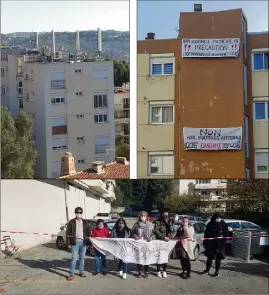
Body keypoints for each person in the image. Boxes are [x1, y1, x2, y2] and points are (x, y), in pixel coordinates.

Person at [66, 207, 91, 281]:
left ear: (82, 213)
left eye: (80, 212)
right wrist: (68, 243)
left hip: (83, 242)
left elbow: (88, 232)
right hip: (74, 242)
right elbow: (68, 233)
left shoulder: (85, 222)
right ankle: (71, 274)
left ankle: (81, 272)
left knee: (82, 258)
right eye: (77, 212)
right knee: (73, 259)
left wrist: (88, 242)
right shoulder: (71, 222)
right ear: (75, 213)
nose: (79, 214)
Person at [202, 212, 229, 277]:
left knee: (218, 258)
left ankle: (216, 272)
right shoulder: (210, 224)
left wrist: (222, 243)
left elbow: (226, 235)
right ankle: (207, 270)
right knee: (209, 258)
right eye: (217, 217)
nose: (218, 219)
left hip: (220, 245)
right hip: (211, 244)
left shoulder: (223, 224)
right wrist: (205, 242)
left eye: (219, 217)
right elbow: (206, 233)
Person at [132, 211, 155, 278]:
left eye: (144, 215)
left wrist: (151, 238)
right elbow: (132, 232)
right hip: (139, 244)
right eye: (142, 215)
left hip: (147, 244)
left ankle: (146, 272)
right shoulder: (136, 224)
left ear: (147, 216)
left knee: (146, 258)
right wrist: (135, 236)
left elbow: (153, 234)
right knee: (139, 257)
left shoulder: (150, 224)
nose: (143, 217)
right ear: (139, 216)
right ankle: (139, 272)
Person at [153, 212, 172, 278]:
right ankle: (158, 271)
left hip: (167, 242)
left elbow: (171, 231)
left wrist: (169, 236)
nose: (165, 216)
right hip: (159, 241)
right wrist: (163, 237)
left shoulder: (169, 222)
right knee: (159, 256)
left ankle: (164, 271)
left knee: (165, 257)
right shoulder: (158, 222)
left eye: (167, 215)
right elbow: (156, 230)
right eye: (164, 215)